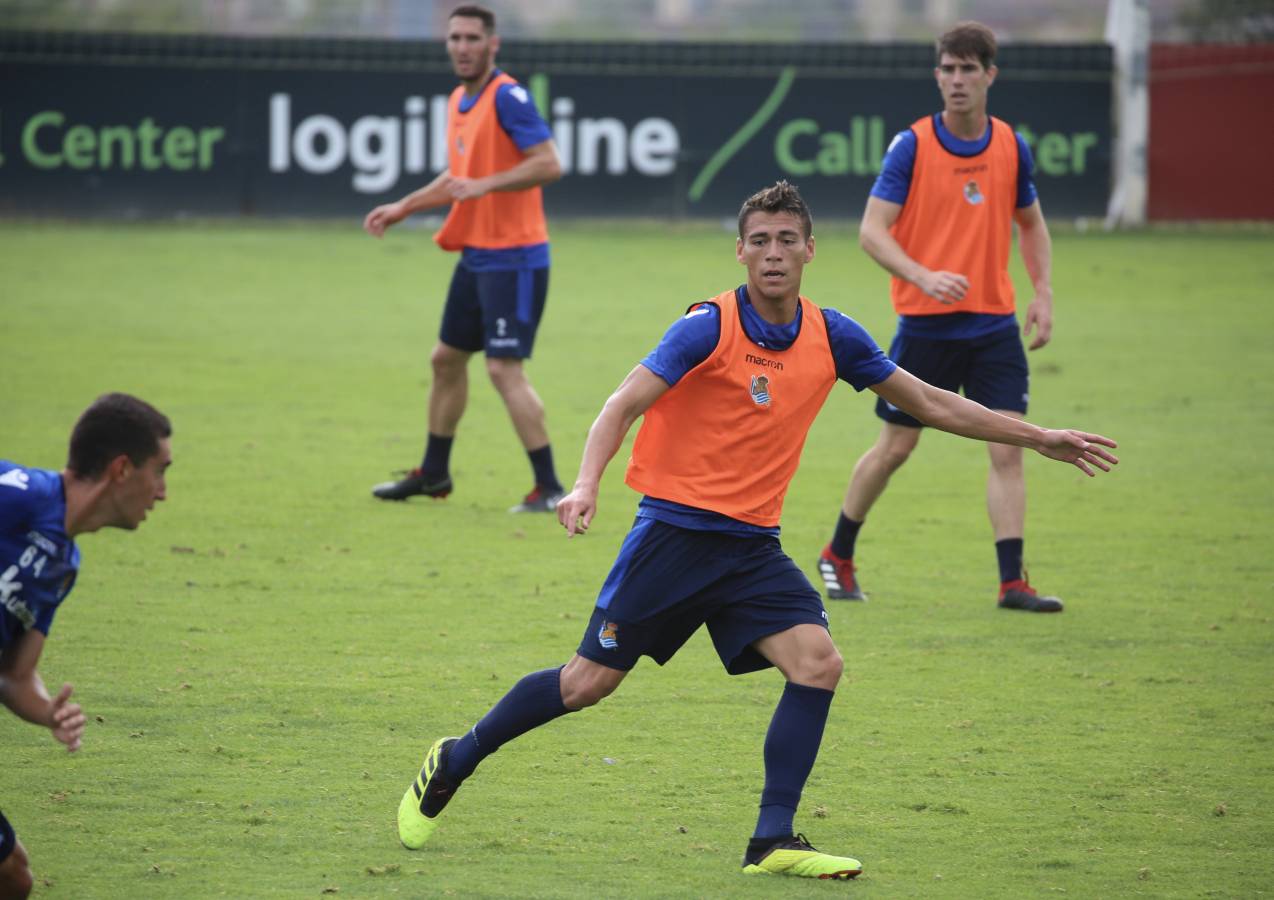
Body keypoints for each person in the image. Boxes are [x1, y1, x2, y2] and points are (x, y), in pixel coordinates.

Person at [393, 181, 1117, 879]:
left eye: (787, 240)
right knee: (586, 685)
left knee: (818, 664)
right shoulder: (708, 325)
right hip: (672, 536)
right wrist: (585, 483)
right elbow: (620, 406)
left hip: (750, 549)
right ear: (740, 253)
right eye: (760, 240)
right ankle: (457, 758)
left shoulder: (835, 335)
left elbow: (931, 402)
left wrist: (1036, 435)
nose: (774, 251)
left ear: (809, 250)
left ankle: (772, 837)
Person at [817, 21, 1066, 612]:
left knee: (1008, 446)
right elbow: (871, 232)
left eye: (967, 69)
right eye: (947, 70)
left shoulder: (1010, 145)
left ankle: (1012, 583)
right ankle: (838, 552)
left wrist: (1044, 291)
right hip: (925, 325)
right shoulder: (913, 146)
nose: (956, 80)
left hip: (994, 325)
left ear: (989, 76)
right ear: (938, 75)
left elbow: (1031, 223)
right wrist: (923, 276)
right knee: (896, 449)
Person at [364, 4, 566, 513]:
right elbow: (458, 176)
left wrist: (484, 185)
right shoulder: (459, 99)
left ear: (493, 44)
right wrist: (405, 206)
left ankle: (549, 488)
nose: (462, 46)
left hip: (516, 258)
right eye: (454, 37)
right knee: (445, 359)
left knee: (503, 369)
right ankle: (433, 474)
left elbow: (549, 163)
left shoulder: (509, 98)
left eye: (472, 37)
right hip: (477, 255)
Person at [0, 393, 172, 899]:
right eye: (159, 472)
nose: (162, 493)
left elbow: (15, 674)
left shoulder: (61, 564)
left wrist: (49, 713)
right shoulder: (21, 494)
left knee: (13, 877)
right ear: (122, 469)